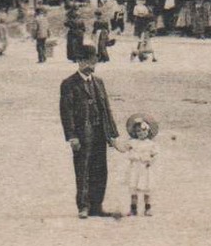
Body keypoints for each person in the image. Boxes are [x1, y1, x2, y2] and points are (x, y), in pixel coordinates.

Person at [58, 45, 121, 218]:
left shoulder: (99, 82)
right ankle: (83, 206)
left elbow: (106, 109)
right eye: (86, 61)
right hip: (82, 134)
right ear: (79, 61)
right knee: (83, 169)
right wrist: (71, 136)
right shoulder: (69, 84)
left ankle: (97, 206)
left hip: (99, 131)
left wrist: (112, 134)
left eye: (93, 62)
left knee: (100, 170)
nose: (90, 66)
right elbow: (66, 112)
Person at [123, 113, 160, 217]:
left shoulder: (151, 144)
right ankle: (133, 209)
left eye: (144, 131)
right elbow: (124, 149)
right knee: (133, 188)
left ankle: (147, 208)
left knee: (146, 188)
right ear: (135, 132)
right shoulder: (133, 142)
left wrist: (150, 161)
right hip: (135, 167)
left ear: (148, 131)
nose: (141, 133)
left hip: (145, 168)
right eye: (138, 131)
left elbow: (155, 155)